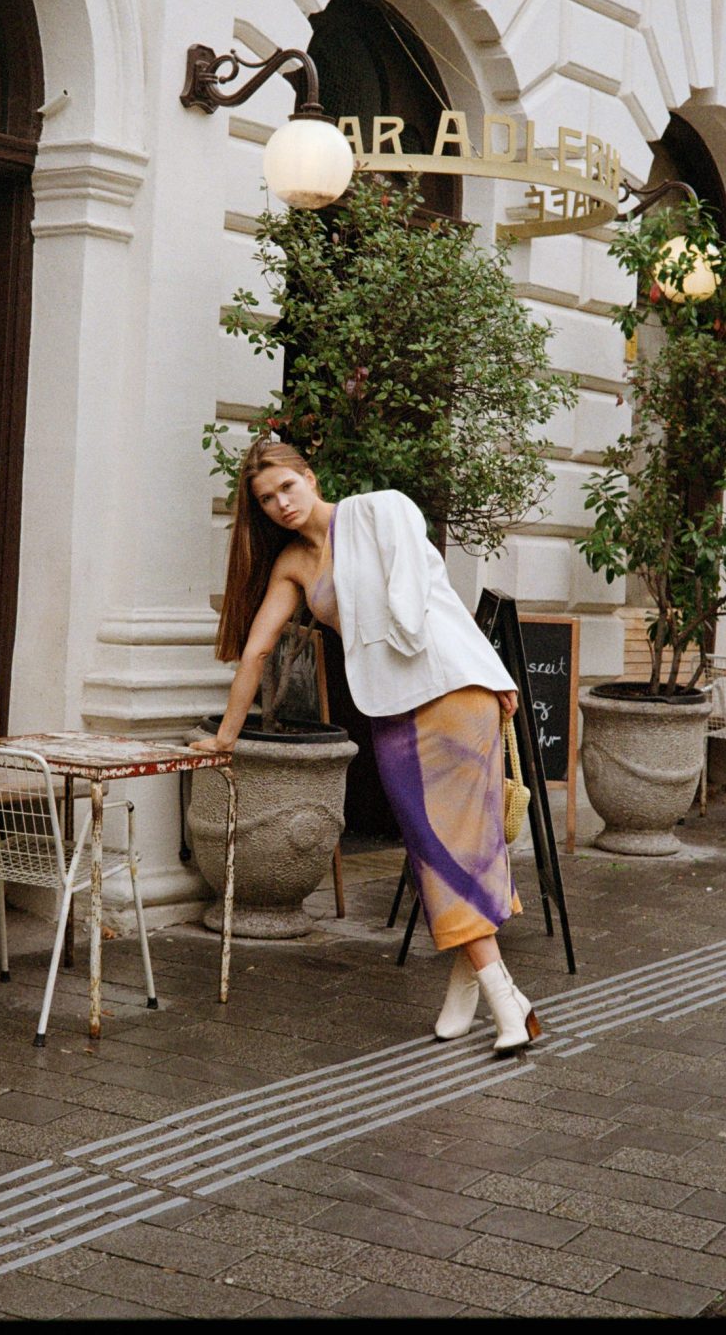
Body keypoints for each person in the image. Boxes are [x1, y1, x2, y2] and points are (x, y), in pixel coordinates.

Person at [191, 436, 541, 1054]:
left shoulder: (379, 510)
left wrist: (496, 673)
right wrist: (224, 737)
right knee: (435, 844)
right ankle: (474, 987)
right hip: (390, 708)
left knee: (451, 843)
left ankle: (502, 1001)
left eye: (287, 488)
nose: (280, 505)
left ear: (311, 476)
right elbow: (258, 649)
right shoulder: (292, 566)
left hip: (455, 690)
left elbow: (433, 600)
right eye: (267, 500)